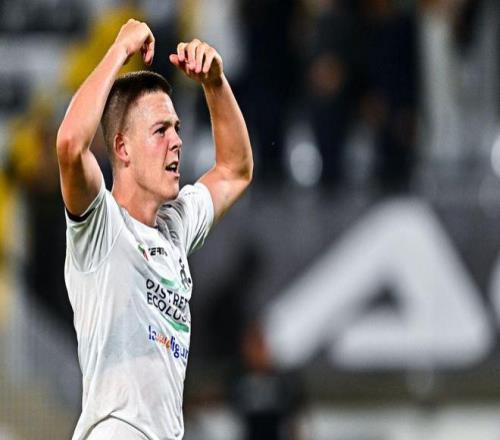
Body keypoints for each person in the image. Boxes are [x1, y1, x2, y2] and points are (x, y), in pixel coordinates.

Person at [56, 19, 253, 440]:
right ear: (122, 147)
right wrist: (118, 50)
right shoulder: (101, 227)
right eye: (160, 130)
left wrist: (215, 84)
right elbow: (71, 145)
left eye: (177, 129)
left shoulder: (175, 227)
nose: (176, 141)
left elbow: (235, 169)